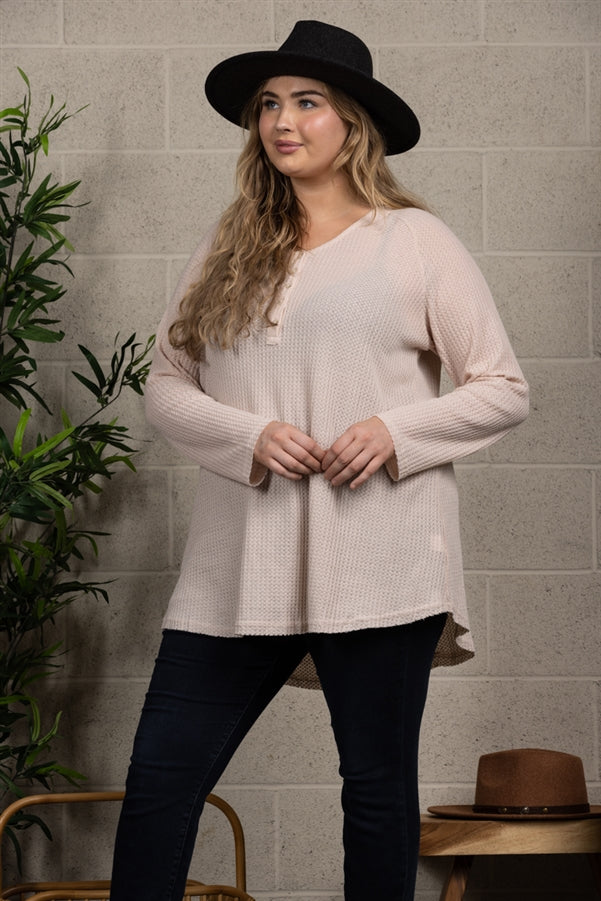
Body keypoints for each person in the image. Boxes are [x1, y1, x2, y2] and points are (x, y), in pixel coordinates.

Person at [110, 20, 528, 901]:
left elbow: (501, 388)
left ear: (352, 123)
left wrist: (395, 431)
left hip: (378, 565)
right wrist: (248, 437)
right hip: (237, 565)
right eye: (268, 104)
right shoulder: (227, 247)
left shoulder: (414, 241)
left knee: (374, 793)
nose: (281, 121)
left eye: (307, 102)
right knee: (160, 782)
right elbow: (166, 384)